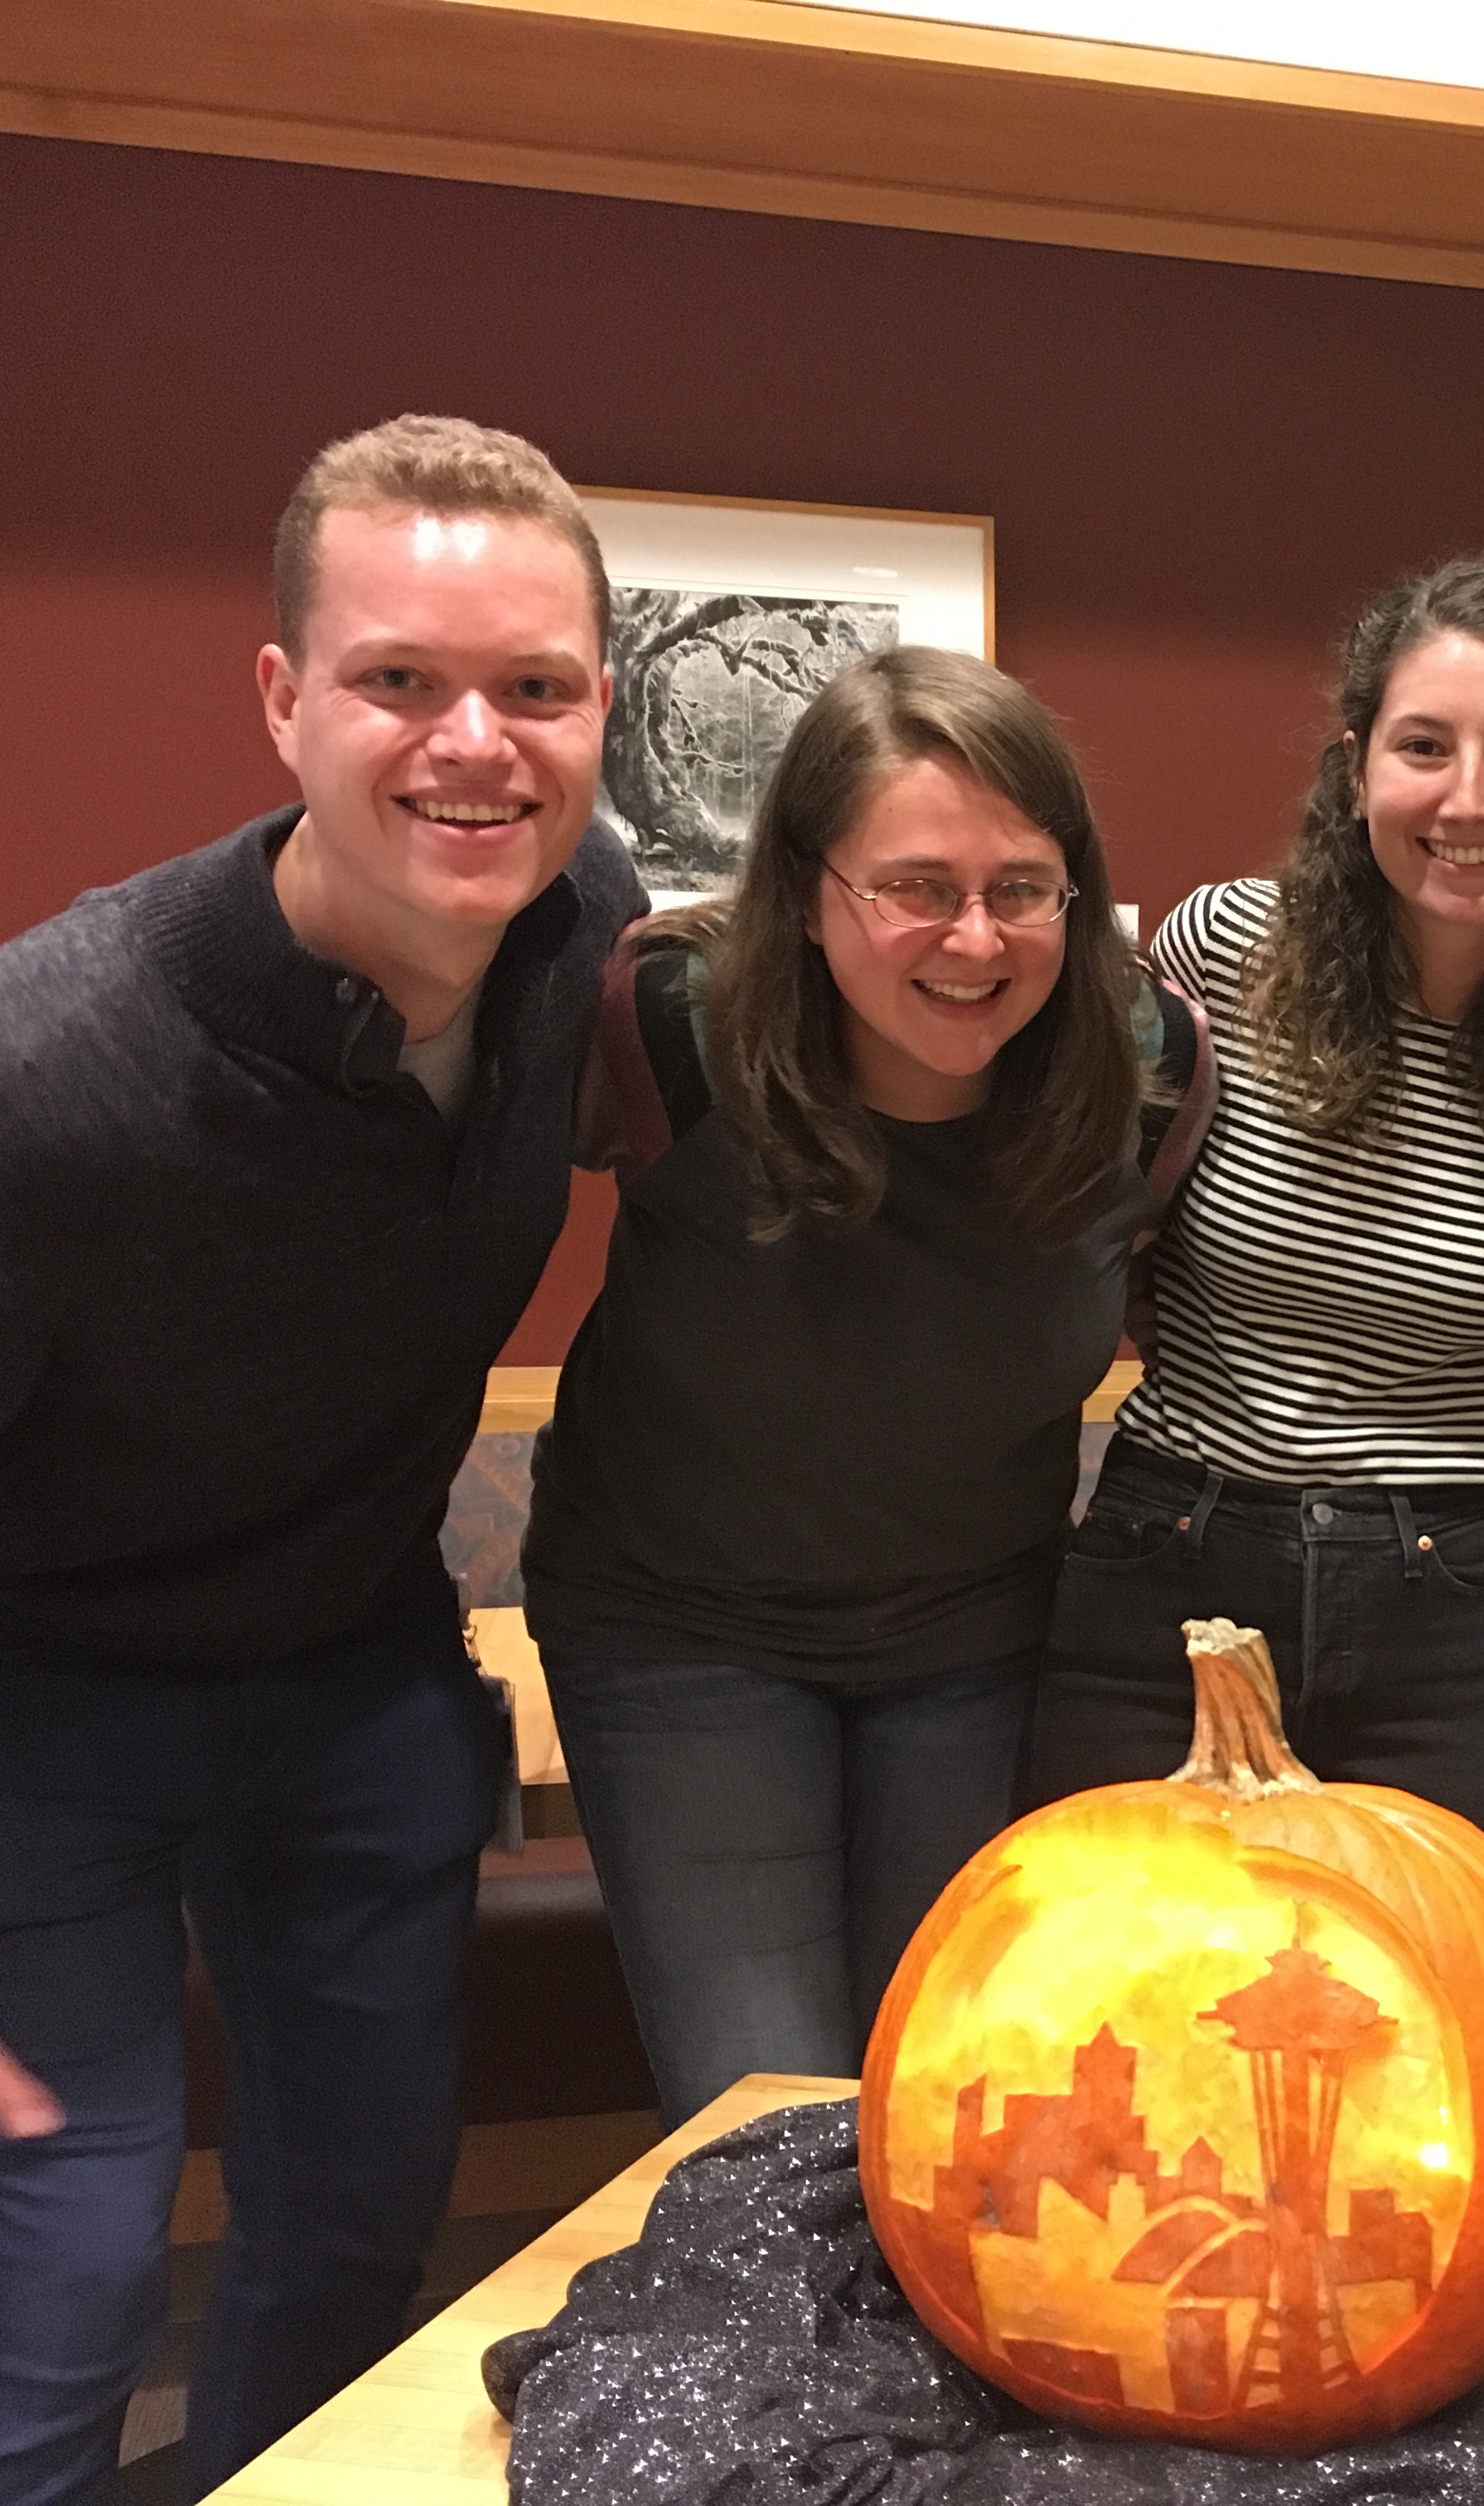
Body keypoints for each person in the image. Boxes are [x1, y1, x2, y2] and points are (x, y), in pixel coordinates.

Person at [0, 415, 647, 2504]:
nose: (475, 743)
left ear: (598, 709)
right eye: (400, 681)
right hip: (26, 1697)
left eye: (533, 688)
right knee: (68, 2270)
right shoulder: (25, 1094)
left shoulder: (577, 934)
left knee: (362, 2245)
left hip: (355, 1668)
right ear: (283, 701)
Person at [520, 647, 1208, 2126]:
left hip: (973, 1642)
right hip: (679, 1636)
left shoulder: (1145, 1068)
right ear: (810, 885)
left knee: (942, 2108)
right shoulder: (669, 1029)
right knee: (765, 2121)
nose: (974, 937)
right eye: (914, 884)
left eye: (1022, 886)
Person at [1021, 558, 1484, 1874]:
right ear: (1358, 766)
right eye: (1424, 746)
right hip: (1171, 1567)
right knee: (1114, 2014)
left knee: (1446, 2030)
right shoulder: (1221, 953)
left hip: (1459, 1613)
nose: (1467, 798)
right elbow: (1089, 1214)